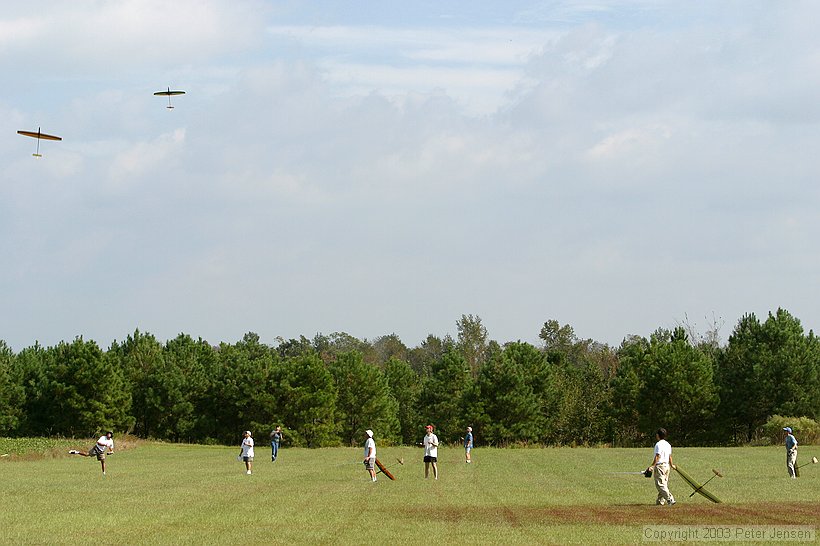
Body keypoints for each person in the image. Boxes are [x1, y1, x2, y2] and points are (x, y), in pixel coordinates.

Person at [646, 428, 676, 506]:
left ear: (658, 435)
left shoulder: (658, 444)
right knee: (664, 484)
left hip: (660, 466)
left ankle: (670, 498)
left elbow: (657, 456)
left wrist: (652, 466)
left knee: (660, 485)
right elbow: (670, 456)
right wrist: (672, 465)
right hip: (667, 466)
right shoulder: (668, 444)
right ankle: (660, 501)